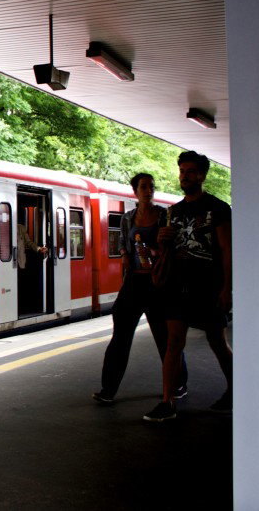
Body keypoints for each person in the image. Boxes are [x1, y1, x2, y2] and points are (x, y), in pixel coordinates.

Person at [144, 151, 233, 422]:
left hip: (208, 285)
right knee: (173, 342)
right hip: (177, 286)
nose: (185, 176)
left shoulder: (218, 208)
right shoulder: (172, 212)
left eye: (191, 171)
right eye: (182, 171)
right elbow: (162, 252)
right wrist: (161, 239)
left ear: (202, 175)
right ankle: (167, 401)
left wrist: (227, 288)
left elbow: (226, 249)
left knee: (217, 340)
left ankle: (236, 388)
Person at [92, 173, 188, 404]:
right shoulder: (128, 218)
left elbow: (176, 249)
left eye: (151, 186)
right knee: (120, 337)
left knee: (165, 338)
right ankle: (108, 389)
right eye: (143, 187)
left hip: (159, 284)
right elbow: (125, 245)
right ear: (135, 191)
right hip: (134, 281)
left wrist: (155, 251)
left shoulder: (166, 216)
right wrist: (126, 256)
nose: (149, 190)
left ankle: (178, 384)